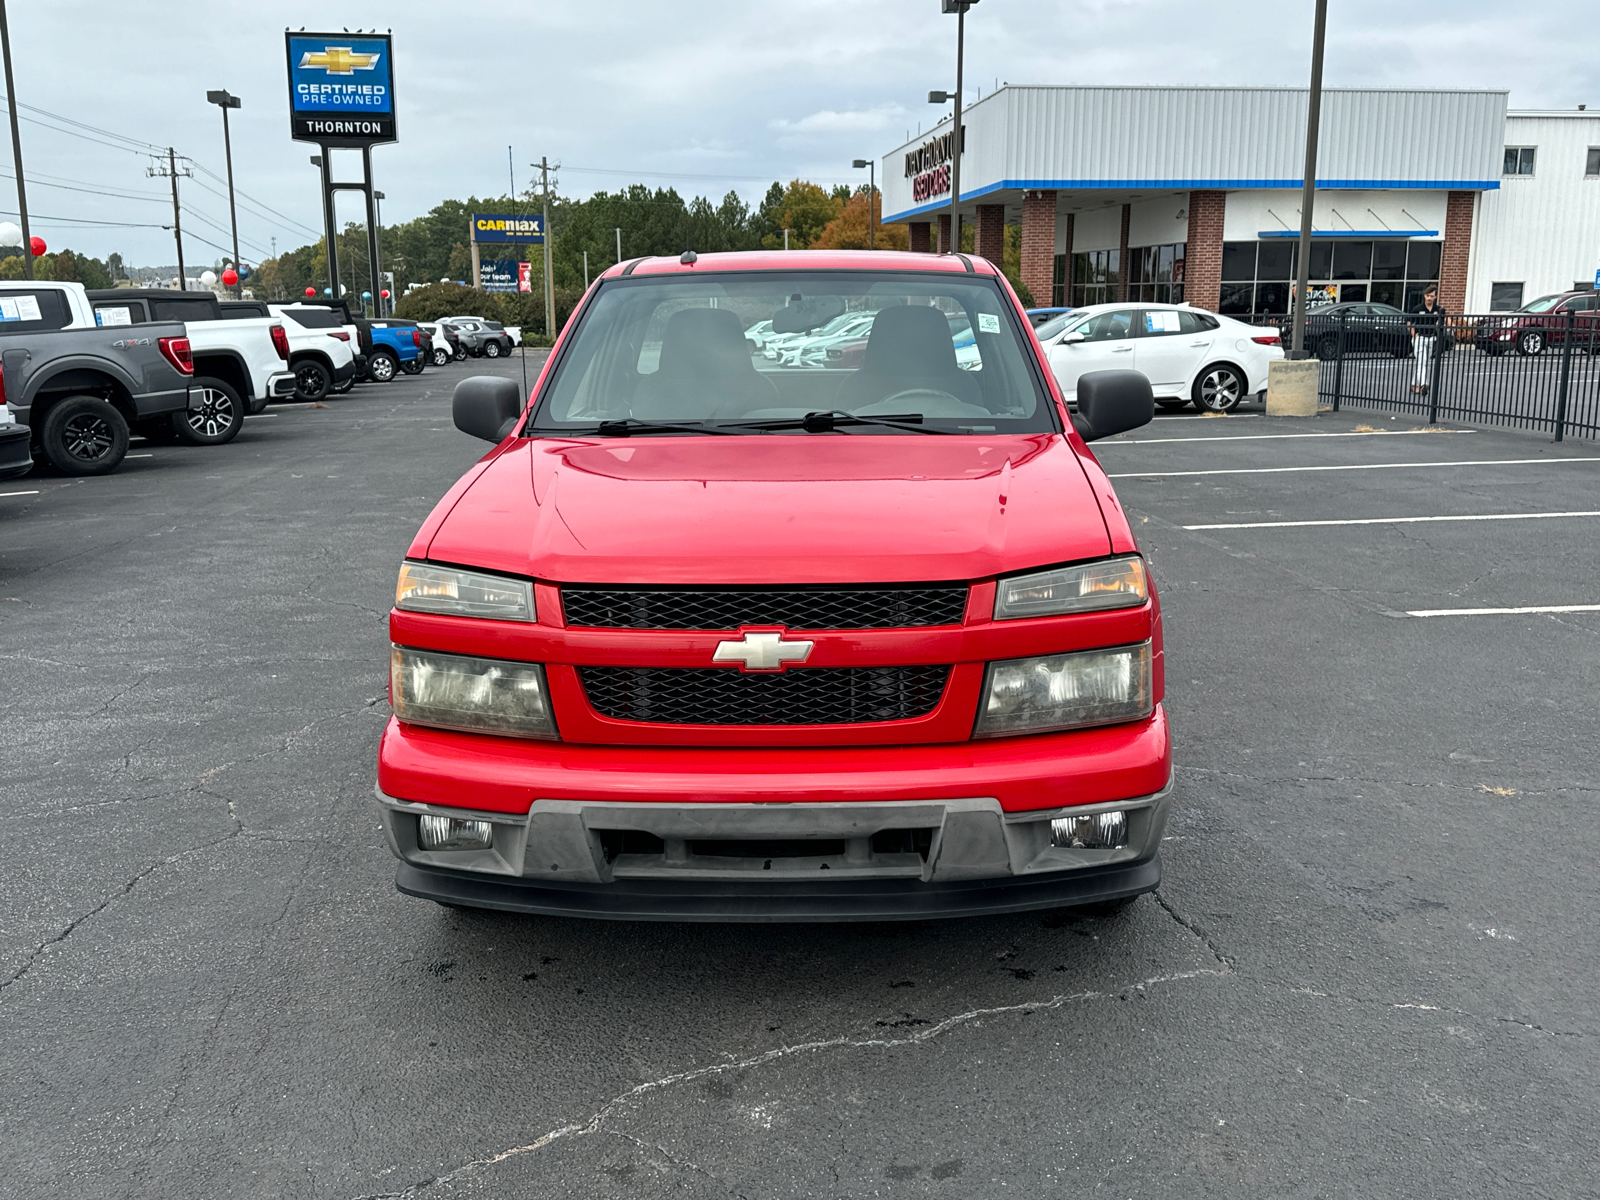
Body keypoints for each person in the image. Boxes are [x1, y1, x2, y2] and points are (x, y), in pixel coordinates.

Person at [1407, 284, 1448, 394]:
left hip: (1431, 338)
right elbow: (1409, 322)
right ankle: (1423, 384)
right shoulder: (1417, 308)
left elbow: (1445, 320)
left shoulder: (1438, 309)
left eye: (1432, 296)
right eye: (1427, 296)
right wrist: (1413, 334)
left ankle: (1413, 384)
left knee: (1424, 362)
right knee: (1421, 362)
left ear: (1435, 297)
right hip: (1420, 338)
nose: (1429, 298)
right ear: (1424, 296)